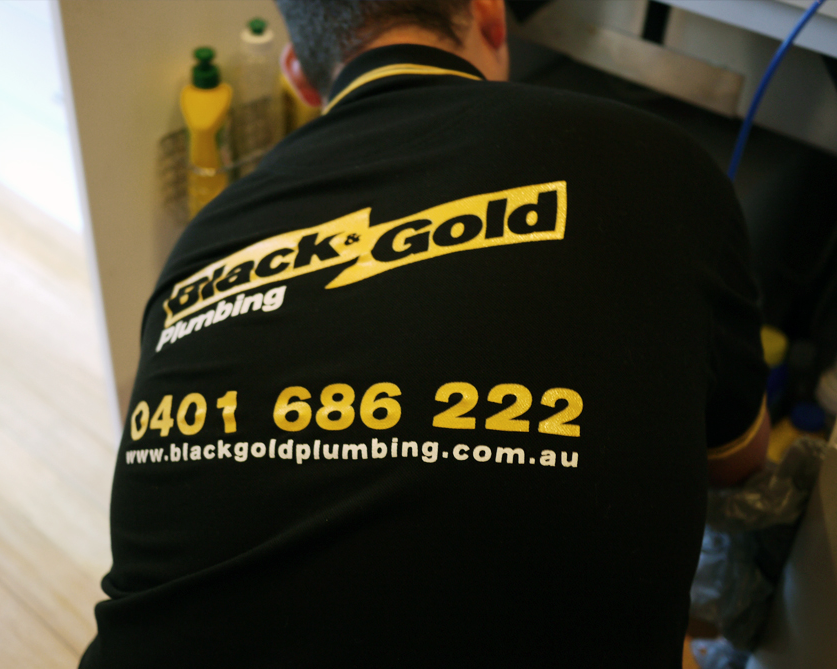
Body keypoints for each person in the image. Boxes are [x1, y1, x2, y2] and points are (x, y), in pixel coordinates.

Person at [79, 1, 769, 666]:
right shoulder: (658, 160)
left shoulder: (200, 244)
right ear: (491, 15)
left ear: (300, 77)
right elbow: (738, 461)